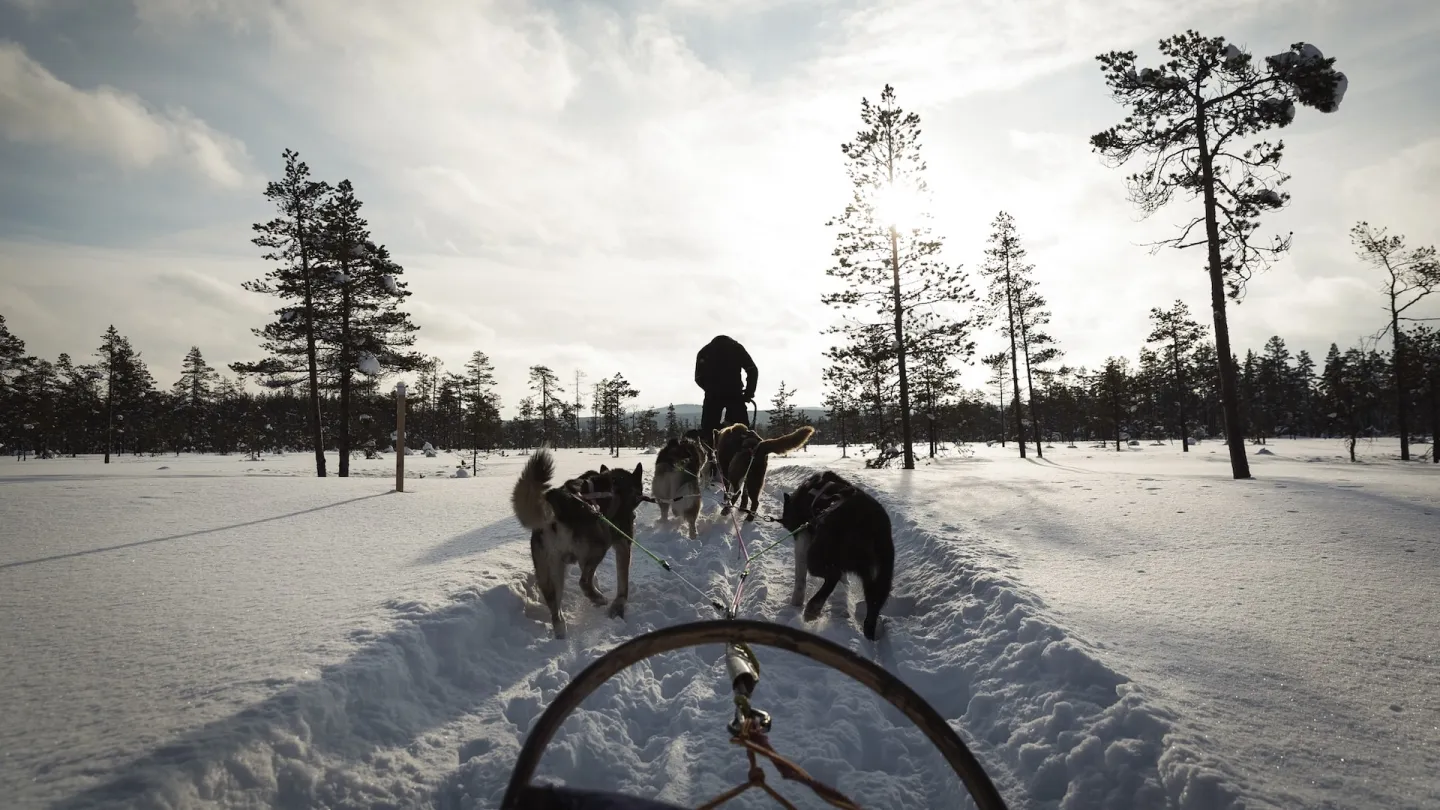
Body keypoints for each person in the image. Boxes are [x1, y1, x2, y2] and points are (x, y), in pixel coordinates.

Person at [694, 334, 757, 440]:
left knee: (708, 432)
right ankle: (743, 452)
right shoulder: (737, 348)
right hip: (734, 394)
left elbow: (698, 377)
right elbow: (752, 370)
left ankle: (710, 453)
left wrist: (710, 389)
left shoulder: (705, 351)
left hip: (713, 396)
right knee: (742, 431)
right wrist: (749, 392)